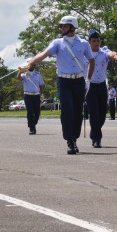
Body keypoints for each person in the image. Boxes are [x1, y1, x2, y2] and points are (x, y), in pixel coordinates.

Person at [27, 16, 95, 155]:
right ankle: (69, 141)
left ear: (72, 27)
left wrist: (88, 79)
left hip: (79, 81)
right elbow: (44, 54)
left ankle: (75, 138)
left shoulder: (83, 44)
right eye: (62, 26)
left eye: (64, 26)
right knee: (67, 110)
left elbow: (91, 61)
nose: (62, 28)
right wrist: (32, 63)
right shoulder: (57, 43)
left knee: (77, 111)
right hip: (63, 81)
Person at [84, 29, 117, 147]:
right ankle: (96, 139)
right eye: (94, 41)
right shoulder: (85, 53)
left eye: (98, 40)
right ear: (89, 42)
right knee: (94, 112)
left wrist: (115, 56)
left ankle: (94, 131)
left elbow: (110, 54)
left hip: (101, 85)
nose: (96, 43)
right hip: (90, 86)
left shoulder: (104, 51)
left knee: (102, 113)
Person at [17, 65, 45, 135]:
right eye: (30, 65)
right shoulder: (25, 74)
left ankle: (33, 124)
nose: (31, 66)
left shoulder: (38, 74)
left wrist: (42, 94)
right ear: (28, 66)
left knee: (37, 113)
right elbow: (18, 77)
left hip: (36, 95)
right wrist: (20, 71)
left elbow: (41, 85)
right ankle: (31, 128)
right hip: (27, 95)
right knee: (30, 112)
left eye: (33, 65)